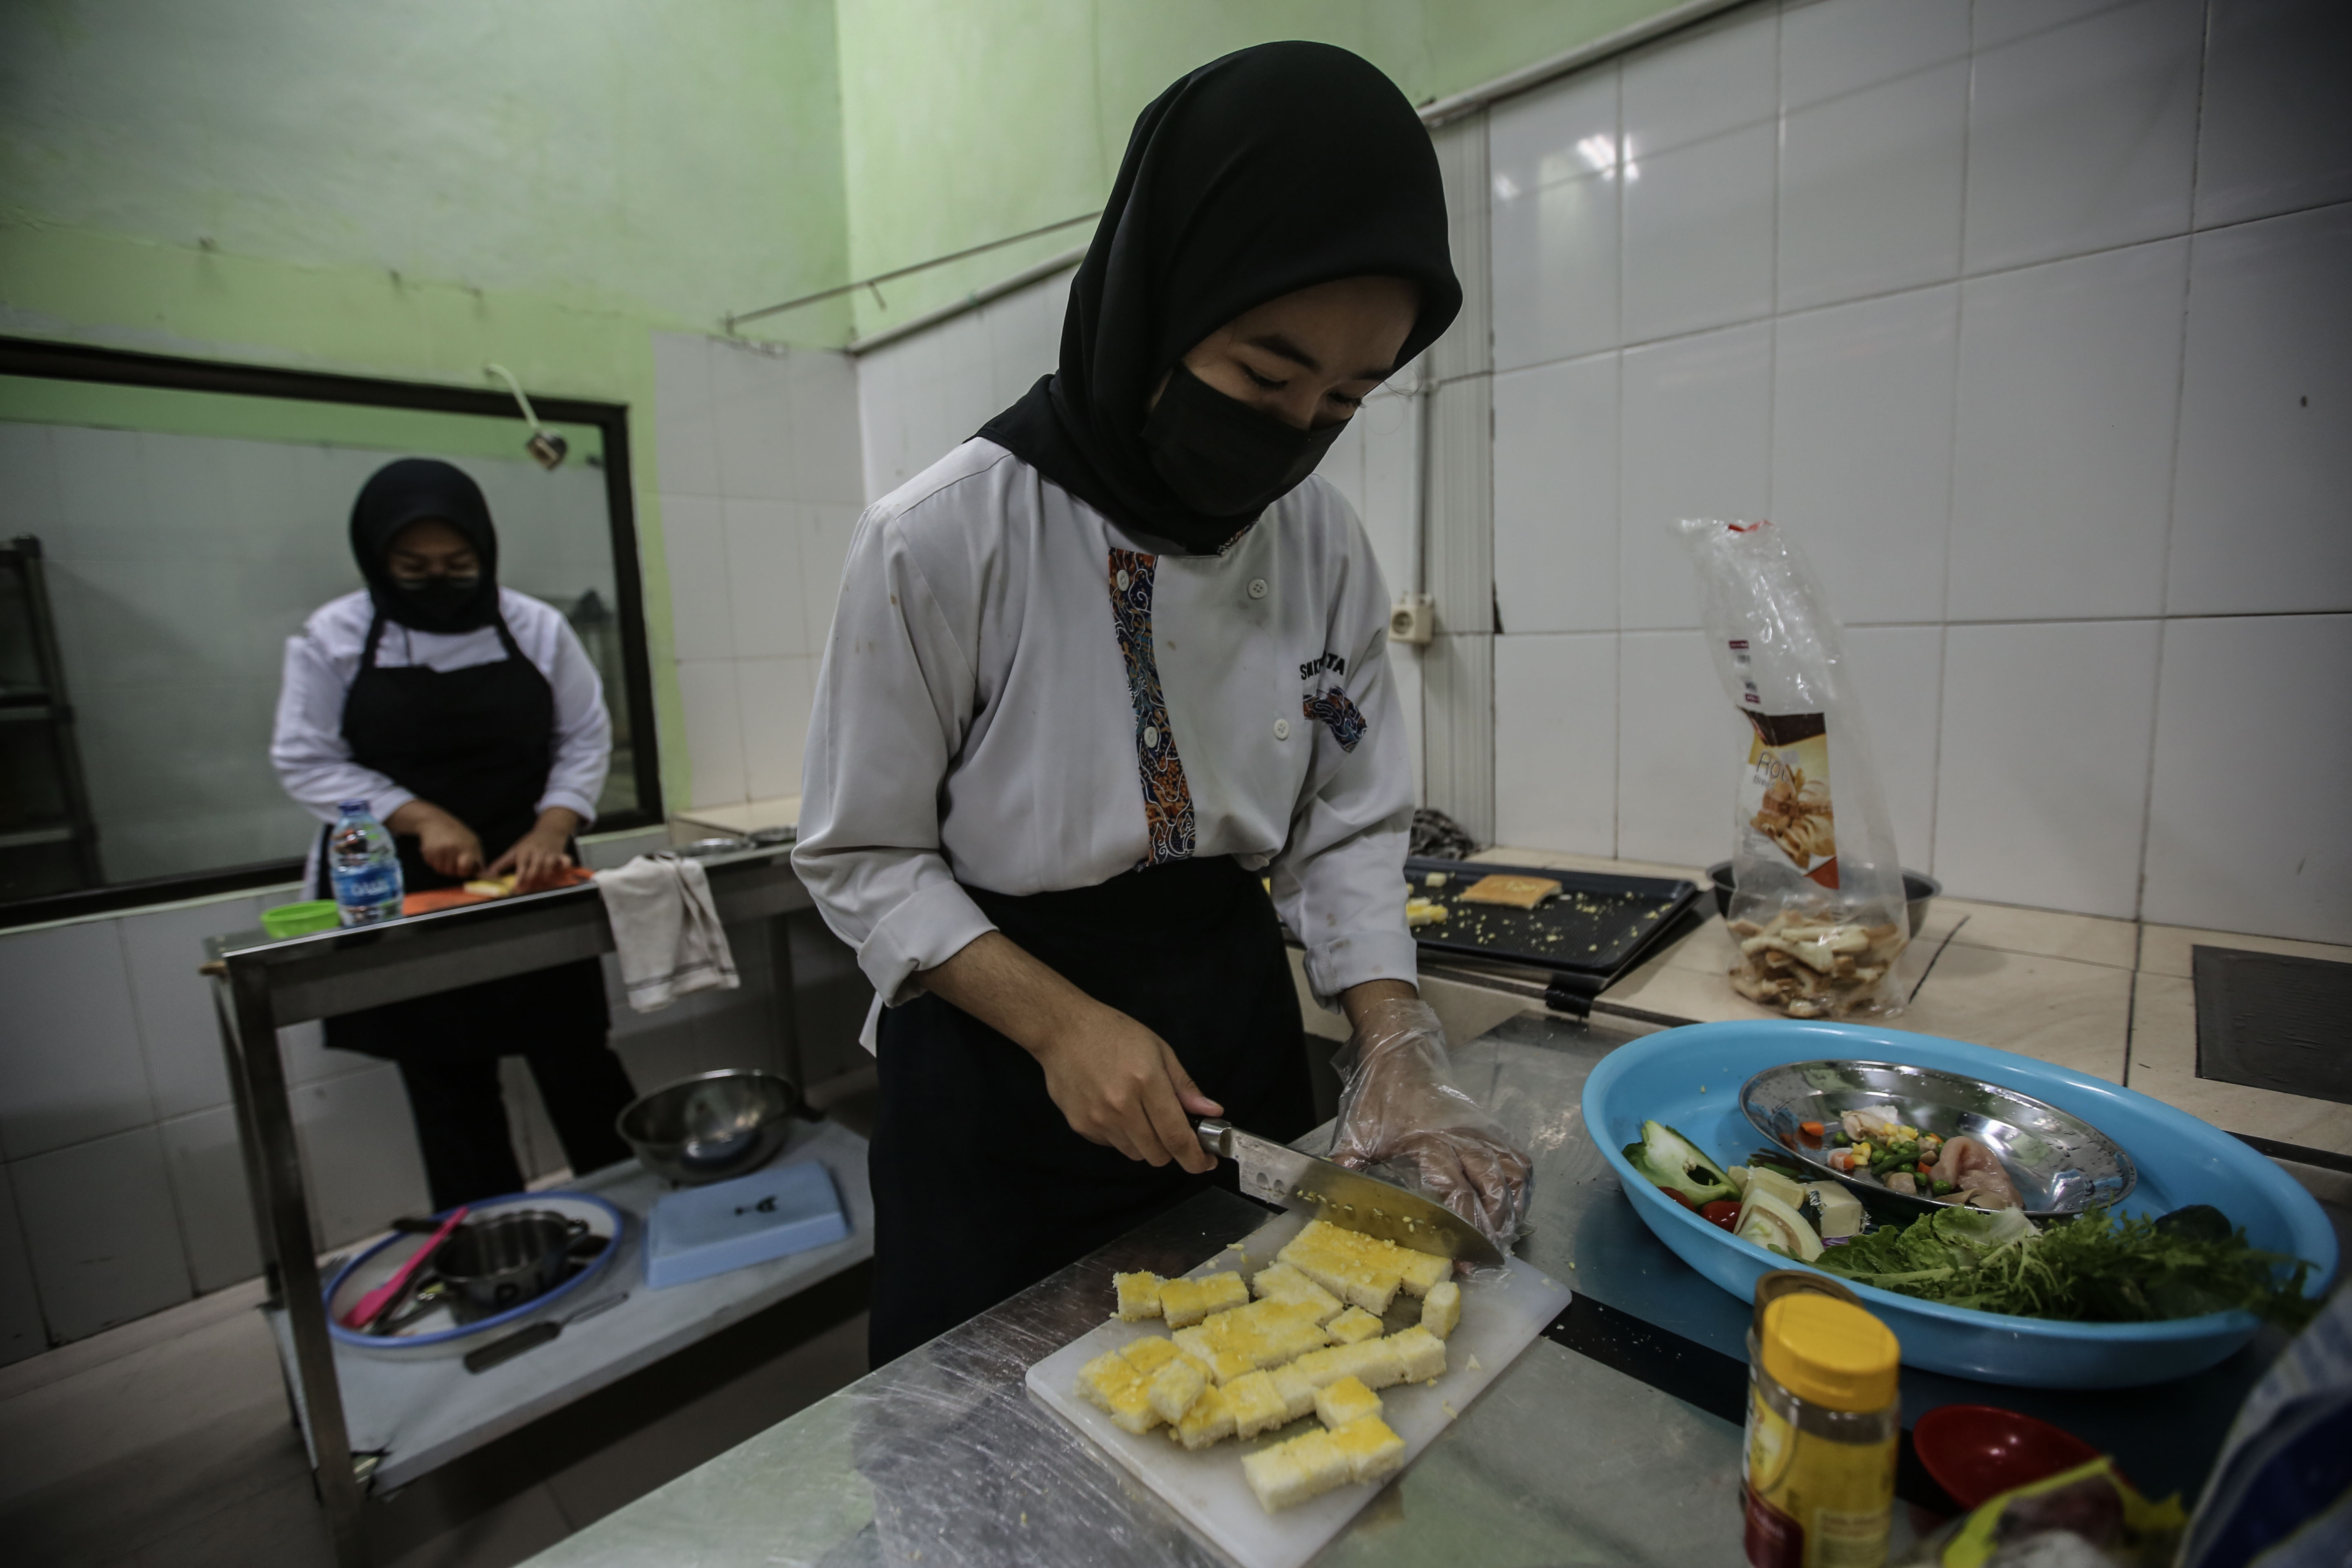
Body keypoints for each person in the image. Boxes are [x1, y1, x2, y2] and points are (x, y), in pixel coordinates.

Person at [793, 42, 1531, 1366]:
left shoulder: (1323, 546)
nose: (1298, 426)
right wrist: (1061, 1025)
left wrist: (1395, 1047)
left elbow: (1351, 827)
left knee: (1248, 1381)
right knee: (988, 1443)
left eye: (1347, 400)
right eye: (1264, 376)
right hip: (998, 1054)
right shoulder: (944, 537)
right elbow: (863, 855)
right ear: (1159, 296)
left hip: (1226, 1024)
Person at [271, 457, 638, 1210]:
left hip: (534, 875)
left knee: (576, 1060)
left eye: (458, 565)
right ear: (377, 560)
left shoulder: (536, 626)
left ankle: (638, 1212)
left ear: (486, 552)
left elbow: (586, 736)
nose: (439, 581)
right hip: (409, 885)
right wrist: (418, 816)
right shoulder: (332, 638)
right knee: (447, 1081)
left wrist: (554, 824)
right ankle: (489, 1240)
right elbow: (305, 757)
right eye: (413, 569)